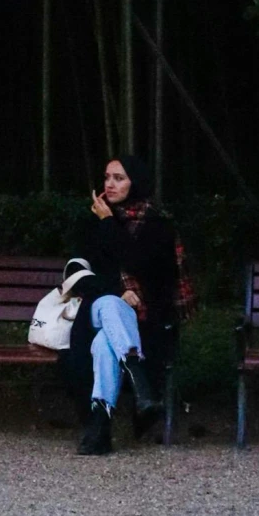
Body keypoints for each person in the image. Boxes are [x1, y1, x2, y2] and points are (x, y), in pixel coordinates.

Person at [69, 153, 194, 455]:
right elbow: (76, 271)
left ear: (135, 183)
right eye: (107, 177)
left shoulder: (157, 225)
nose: (109, 185)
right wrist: (116, 290)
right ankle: (142, 386)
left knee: (104, 344)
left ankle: (100, 427)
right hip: (98, 307)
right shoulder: (92, 221)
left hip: (145, 318)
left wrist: (110, 223)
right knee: (111, 304)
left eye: (119, 178)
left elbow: (138, 262)